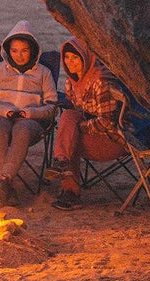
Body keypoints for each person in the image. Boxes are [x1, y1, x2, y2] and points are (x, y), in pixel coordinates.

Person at [0, 20, 57, 206]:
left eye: (24, 51)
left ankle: (3, 183)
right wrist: (4, 111)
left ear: (33, 50)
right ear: (7, 50)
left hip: (30, 121)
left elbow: (52, 106)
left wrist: (30, 113)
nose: (19, 55)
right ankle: (6, 184)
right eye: (14, 51)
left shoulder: (43, 73)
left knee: (22, 130)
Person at [46, 37, 128, 210]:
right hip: (91, 134)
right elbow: (75, 112)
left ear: (85, 58)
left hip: (112, 140)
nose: (70, 62)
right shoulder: (72, 81)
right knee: (68, 119)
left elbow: (107, 122)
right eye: (67, 57)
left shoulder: (100, 81)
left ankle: (70, 191)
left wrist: (79, 128)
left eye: (75, 58)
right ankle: (62, 162)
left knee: (70, 138)